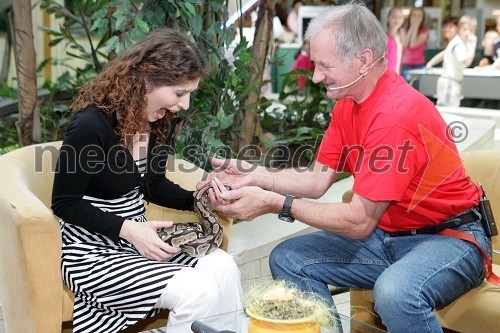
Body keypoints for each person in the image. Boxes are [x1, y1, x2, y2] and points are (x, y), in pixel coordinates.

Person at [198, 3, 492, 332]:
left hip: (451, 241)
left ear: (363, 60)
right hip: (390, 237)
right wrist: (256, 175)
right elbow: (316, 179)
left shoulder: (394, 115)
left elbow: (359, 221)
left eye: (324, 65)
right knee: (289, 258)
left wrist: (275, 203)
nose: (315, 76)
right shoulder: (348, 104)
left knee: (395, 292)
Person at [51, 28, 243, 333]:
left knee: (224, 268)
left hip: (140, 242)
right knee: (199, 290)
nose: (185, 105)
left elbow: (152, 185)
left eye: (189, 94)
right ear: (145, 80)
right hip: (91, 252)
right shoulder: (90, 125)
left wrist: (201, 198)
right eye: (180, 93)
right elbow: (64, 203)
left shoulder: (160, 122)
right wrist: (130, 231)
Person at [426, 15, 477, 107]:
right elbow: (467, 62)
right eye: (464, 29)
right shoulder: (459, 45)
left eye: (471, 31)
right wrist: (473, 44)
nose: (467, 33)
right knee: (447, 112)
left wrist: (430, 63)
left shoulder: (456, 42)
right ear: (459, 29)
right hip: (450, 83)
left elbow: (444, 53)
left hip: (449, 82)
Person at [401, 7, 429, 85]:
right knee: (405, 88)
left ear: (422, 19)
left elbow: (413, 44)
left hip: (418, 65)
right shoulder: (404, 30)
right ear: (410, 17)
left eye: (419, 16)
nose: (416, 18)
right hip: (406, 64)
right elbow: (405, 44)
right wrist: (412, 27)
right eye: (414, 15)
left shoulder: (424, 32)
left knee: (415, 88)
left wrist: (415, 26)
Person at [385, 7, 405, 74]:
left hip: (397, 74)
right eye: (394, 17)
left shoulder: (400, 37)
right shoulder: (384, 37)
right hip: (386, 75)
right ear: (388, 18)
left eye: (400, 17)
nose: (397, 20)